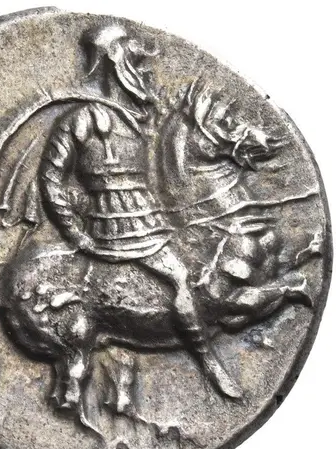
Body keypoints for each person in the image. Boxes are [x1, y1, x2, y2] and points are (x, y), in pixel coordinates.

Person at [39, 25, 242, 399]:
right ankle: (208, 361)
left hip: (152, 221)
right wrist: (75, 230)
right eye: (137, 62)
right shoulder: (80, 120)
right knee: (181, 278)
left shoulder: (138, 121)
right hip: (113, 231)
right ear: (117, 61)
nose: (146, 72)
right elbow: (51, 179)